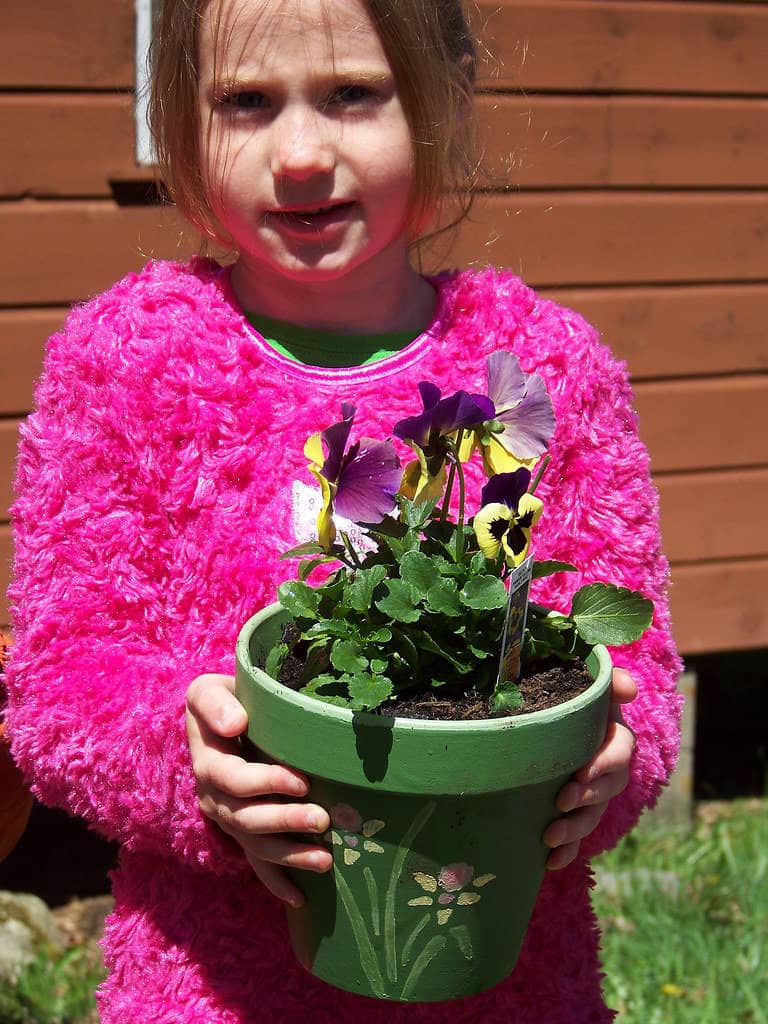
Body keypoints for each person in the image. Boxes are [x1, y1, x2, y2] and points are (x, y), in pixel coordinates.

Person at [5, 0, 682, 1019]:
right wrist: (188, 761)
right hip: (214, 983)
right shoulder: (130, 361)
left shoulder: (540, 363)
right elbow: (57, 681)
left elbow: (635, 666)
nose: (302, 154)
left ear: (442, 102)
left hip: (501, 978)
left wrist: (612, 764)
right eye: (246, 102)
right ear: (183, 123)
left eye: (352, 94)